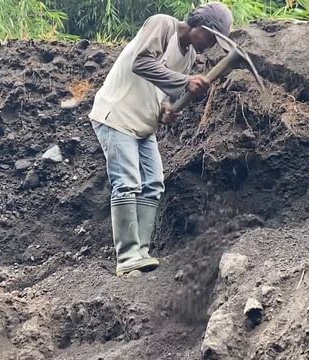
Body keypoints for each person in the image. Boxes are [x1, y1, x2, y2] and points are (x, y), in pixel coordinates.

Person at [89, 2, 234, 276]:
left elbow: (163, 94)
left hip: (143, 124)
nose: (212, 45)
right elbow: (141, 62)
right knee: (127, 182)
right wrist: (185, 82)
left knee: (154, 182)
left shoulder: (189, 55)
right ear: (200, 27)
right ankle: (128, 256)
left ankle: (141, 253)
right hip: (117, 114)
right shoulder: (163, 25)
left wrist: (167, 109)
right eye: (212, 38)